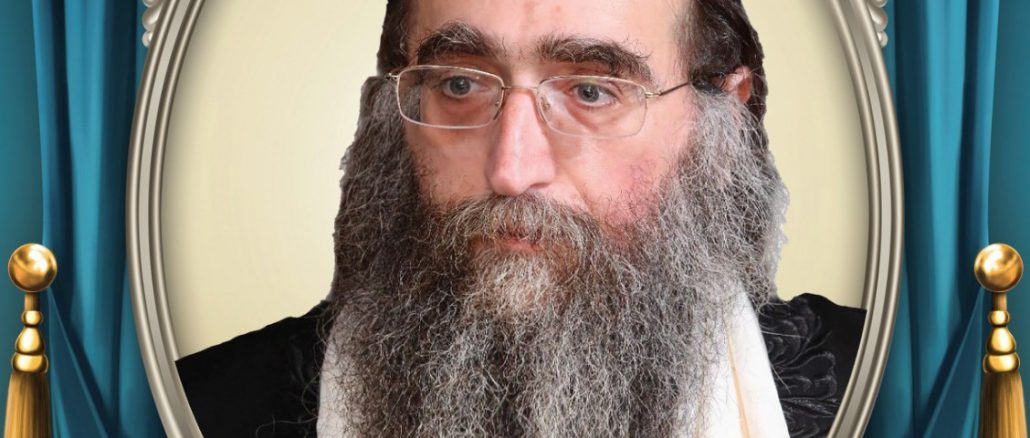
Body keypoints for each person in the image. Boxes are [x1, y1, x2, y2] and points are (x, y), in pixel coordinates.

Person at [177, 0, 865, 436]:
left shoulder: (894, 395)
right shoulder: (196, 412)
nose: (511, 169)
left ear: (725, 121)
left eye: (592, 91)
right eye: (459, 84)